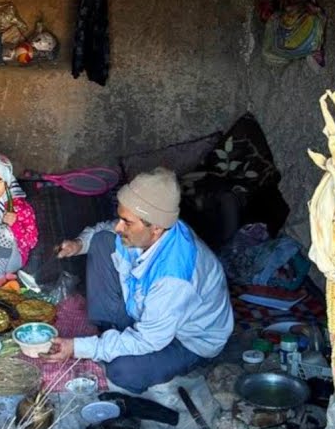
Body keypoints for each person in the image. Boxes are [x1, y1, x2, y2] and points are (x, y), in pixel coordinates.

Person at [41, 168, 232, 392]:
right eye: (121, 217)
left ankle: (127, 350)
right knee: (103, 240)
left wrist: (76, 348)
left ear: (156, 228)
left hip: (187, 340)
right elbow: (106, 229)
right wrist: (78, 245)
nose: (119, 226)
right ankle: (107, 333)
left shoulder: (175, 279)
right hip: (147, 315)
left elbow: (149, 339)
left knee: (122, 371)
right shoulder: (153, 228)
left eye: (127, 222)